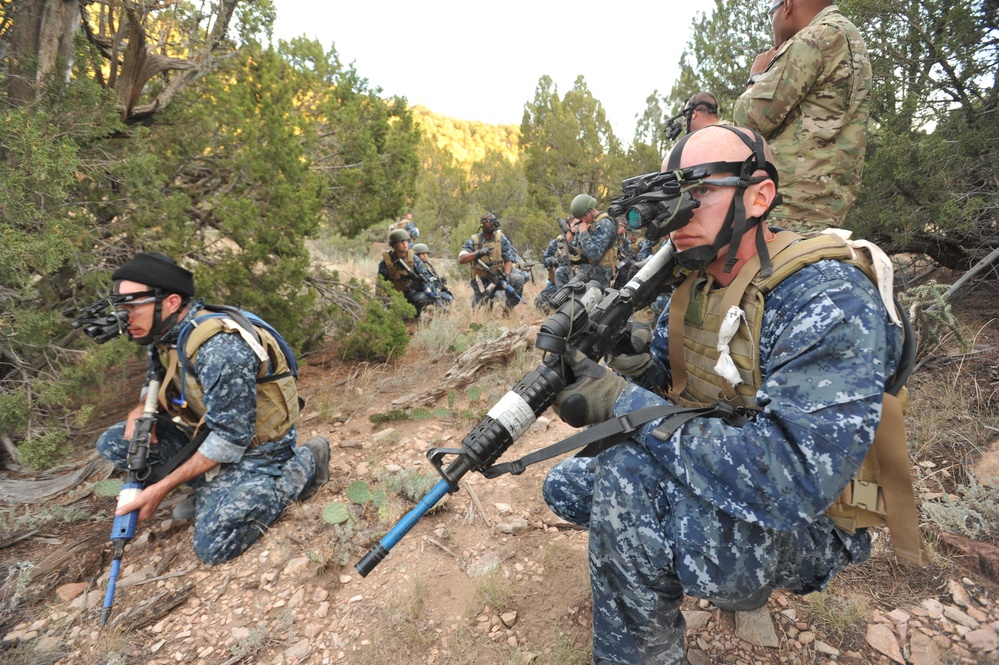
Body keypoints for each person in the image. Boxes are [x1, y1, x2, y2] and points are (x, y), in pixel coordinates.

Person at [542, 125, 922, 663]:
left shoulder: (826, 296)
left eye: (699, 193)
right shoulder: (697, 282)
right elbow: (673, 384)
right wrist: (623, 367)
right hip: (731, 453)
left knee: (627, 479)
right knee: (570, 485)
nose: (679, 214)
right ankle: (659, 562)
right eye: (671, 198)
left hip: (815, 520)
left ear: (759, 196)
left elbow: (791, 480)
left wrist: (621, 402)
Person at [95, 252, 329, 565]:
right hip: (207, 435)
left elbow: (231, 440)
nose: (124, 318)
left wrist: (163, 487)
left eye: (132, 305)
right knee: (114, 442)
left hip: (258, 450)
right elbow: (157, 380)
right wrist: (140, 411)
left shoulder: (219, 349)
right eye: (120, 307)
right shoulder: (164, 334)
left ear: (172, 302)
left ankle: (305, 463)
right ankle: (213, 488)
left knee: (214, 545)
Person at [732, 0, 871, 230]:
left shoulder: (813, 38)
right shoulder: (851, 37)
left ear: (787, 5)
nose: (772, 24)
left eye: (770, 14)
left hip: (788, 211)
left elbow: (750, 124)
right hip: (827, 211)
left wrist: (755, 79)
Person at [457, 212, 525, 311]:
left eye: (493, 222)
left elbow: (508, 259)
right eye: (489, 222)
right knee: (484, 311)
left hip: (499, 275)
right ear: (482, 224)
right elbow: (461, 259)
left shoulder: (500, 238)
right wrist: (478, 253)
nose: (492, 225)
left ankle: (508, 309)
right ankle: (478, 301)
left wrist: (506, 275)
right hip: (482, 279)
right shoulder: (474, 240)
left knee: (518, 279)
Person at [378, 229, 438, 318]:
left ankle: (413, 316)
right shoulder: (386, 263)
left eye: (406, 241)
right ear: (394, 245)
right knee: (384, 310)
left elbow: (425, 277)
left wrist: (416, 285)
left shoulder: (414, 259)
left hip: (410, 294)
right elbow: (380, 284)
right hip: (394, 295)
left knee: (422, 298)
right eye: (401, 242)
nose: (405, 244)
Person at [565, 194, 618, 289]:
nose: (584, 220)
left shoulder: (604, 223)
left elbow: (595, 254)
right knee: (562, 272)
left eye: (585, 216)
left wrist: (584, 232)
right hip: (589, 266)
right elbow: (577, 248)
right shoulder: (588, 224)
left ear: (592, 210)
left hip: (602, 269)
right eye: (581, 219)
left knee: (574, 282)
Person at [535, 219, 578, 313]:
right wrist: (552, 260)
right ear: (567, 225)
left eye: (579, 223)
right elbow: (545, 260)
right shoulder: (556, 243)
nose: (577, 226)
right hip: (556, 283)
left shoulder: (580, 241)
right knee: (540, 303)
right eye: (575, 223)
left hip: (575, 280)